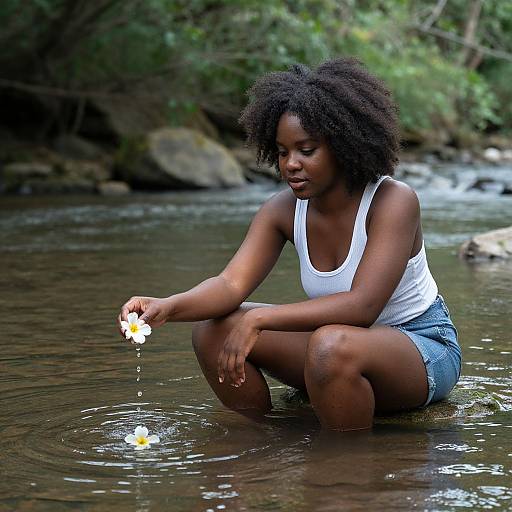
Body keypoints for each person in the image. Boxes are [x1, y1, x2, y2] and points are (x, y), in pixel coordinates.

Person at [118, 57, 461, 432]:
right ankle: (261, 447)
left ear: (343, 145)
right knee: (213, 331)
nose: (291, 164)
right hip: (335, 346)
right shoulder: (281, 210)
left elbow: (363, 306)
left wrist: (260, 318)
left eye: (306, 150)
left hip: (421, 346)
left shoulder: (393, 201)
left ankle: (349, 468)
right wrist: (167, 306)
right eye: (283, 152)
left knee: (329, 345)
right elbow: (231, 285)